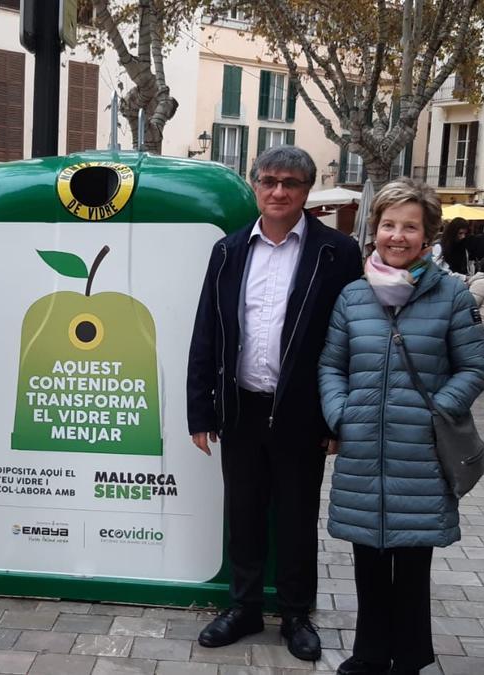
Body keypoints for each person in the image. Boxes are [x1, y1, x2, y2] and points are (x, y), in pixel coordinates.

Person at [187, 145, 362, 661]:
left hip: (302, 413)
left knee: (295, 514)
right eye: (269, 181)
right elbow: (207, 331)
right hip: (240, 407)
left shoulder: (337, 252)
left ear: (306, 192)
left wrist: (338, 417)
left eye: (290, 183)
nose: (278, 192)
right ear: (255, 186)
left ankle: (294, 613)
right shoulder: (230, 249)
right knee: (242, 511)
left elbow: (349, 337)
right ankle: (242, 607)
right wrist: (200, 410)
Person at [319, 178, 484, 674]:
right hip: (363, 449)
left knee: (413, 564)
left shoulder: (453, 297)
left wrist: (438, 409)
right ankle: (370, 653)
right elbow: (332, 364)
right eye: (389, 225)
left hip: (421, 453)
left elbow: (474, 369)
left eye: (410, 227)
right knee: (367, 559)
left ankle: (411, 655)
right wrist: (341, 412)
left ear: (428, 235)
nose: (398, 236)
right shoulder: (353, 297)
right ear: (375, 230)